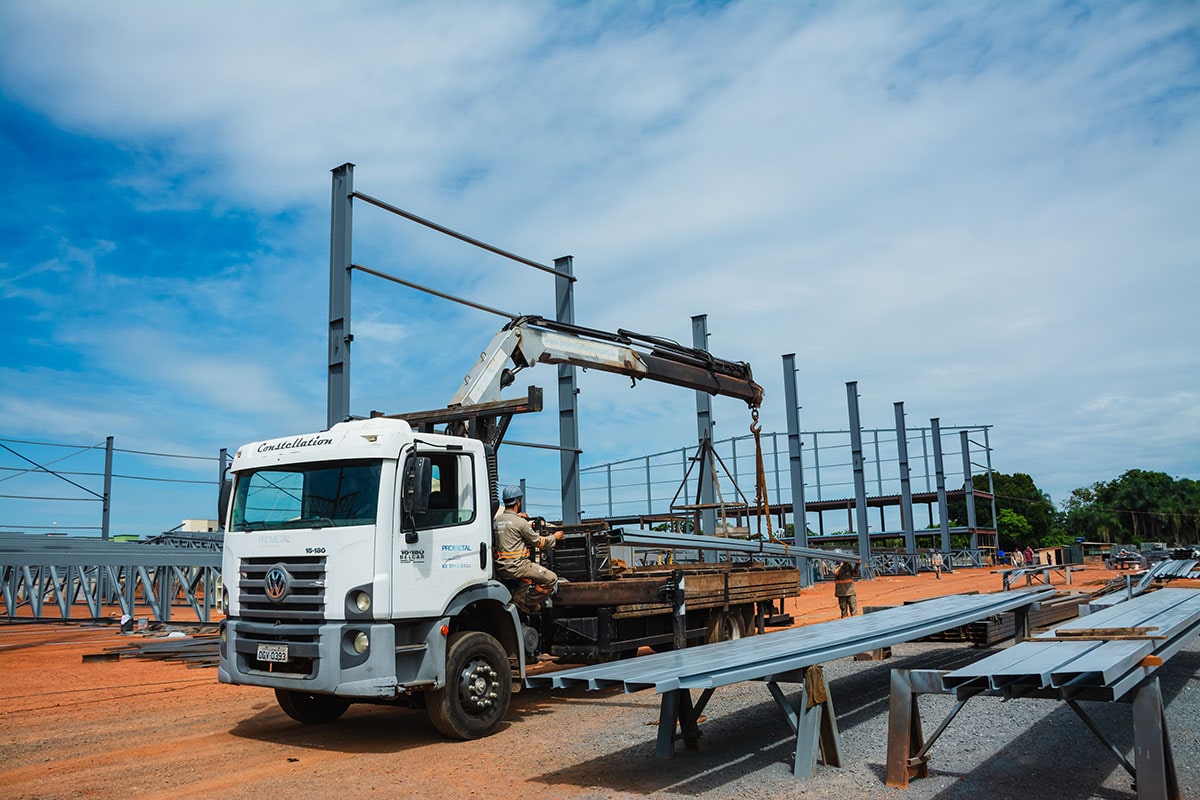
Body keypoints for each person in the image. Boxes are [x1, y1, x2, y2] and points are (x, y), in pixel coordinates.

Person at [493, 485, 564, 610]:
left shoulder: (497, 521)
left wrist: (518, 517)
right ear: (518, 501)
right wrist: (555, 537)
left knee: (527, 578)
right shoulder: (521, 523)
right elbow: (539, 542)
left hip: (502, 568)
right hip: (518, 567)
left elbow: (509, 525)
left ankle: (518, 599)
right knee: (551, 579)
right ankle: (527, 603)